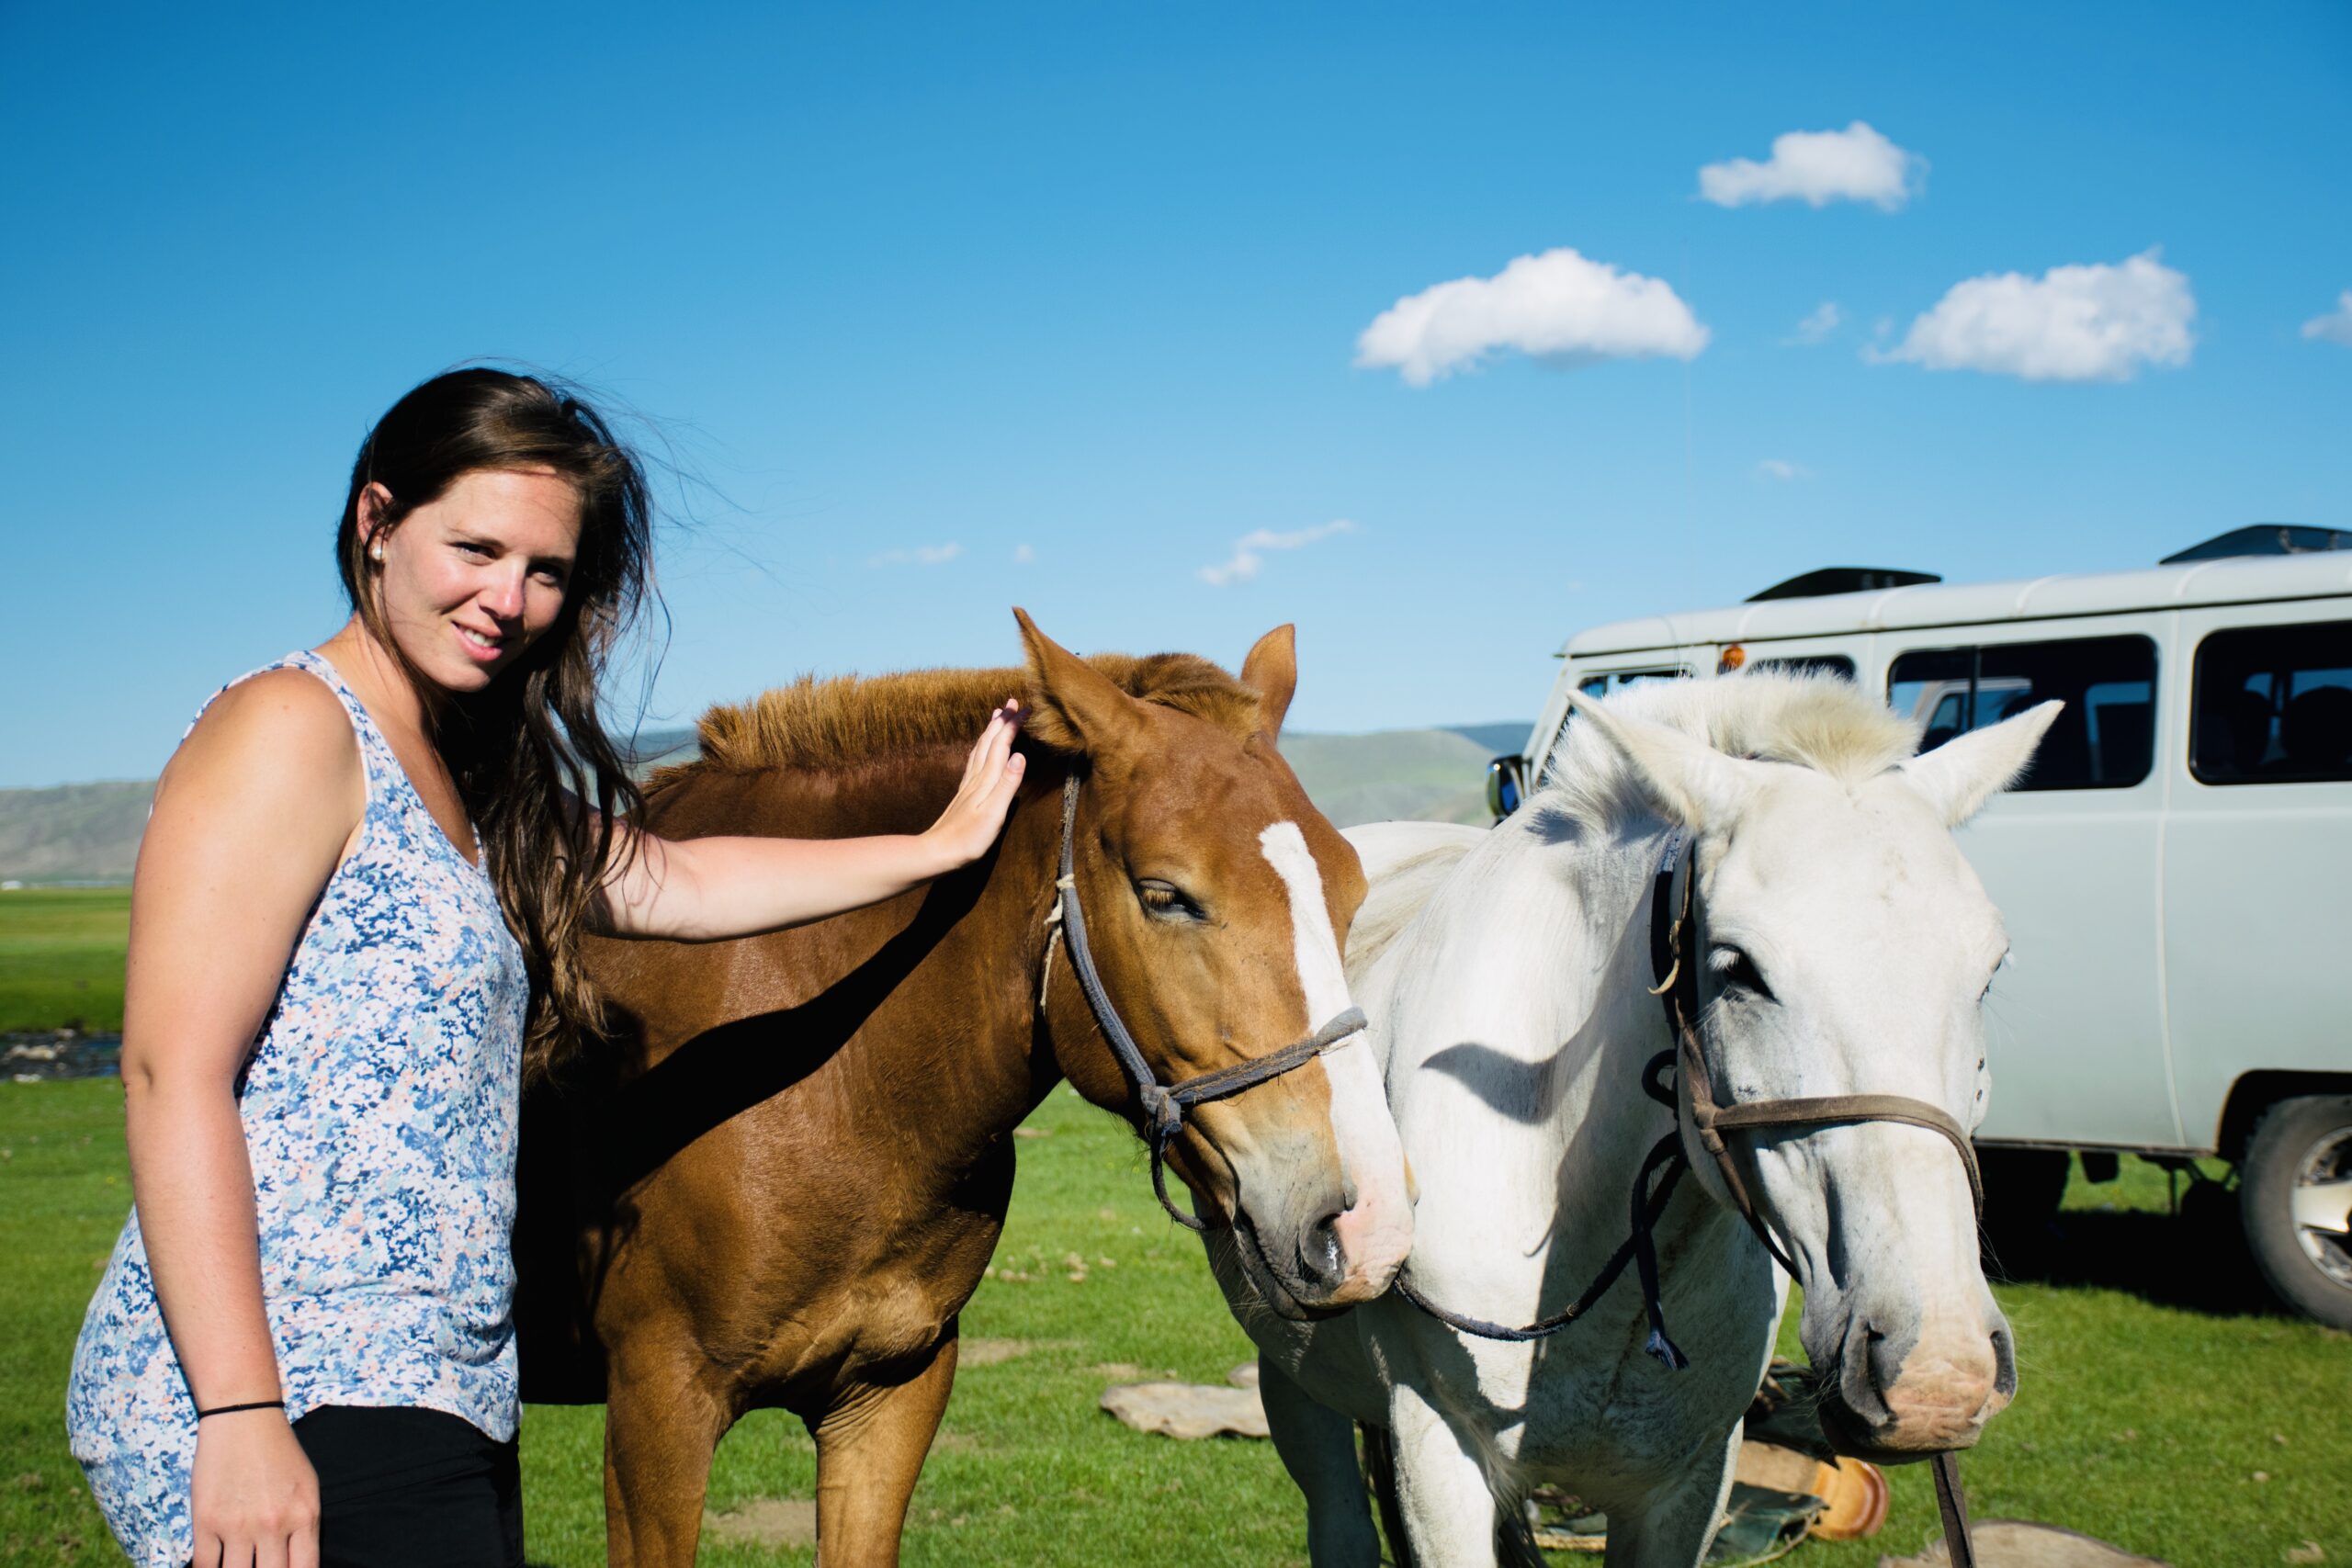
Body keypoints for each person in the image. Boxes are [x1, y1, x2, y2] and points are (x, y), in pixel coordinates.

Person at [65, 368, 1029, 1568]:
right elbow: (171, 1075)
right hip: (289, 1378)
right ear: (377, 522)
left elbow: (682, 882)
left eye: (547, 571)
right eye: (475, 549)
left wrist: (931, 848)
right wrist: (241, 1414)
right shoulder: (290, 729)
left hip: (436, 1383)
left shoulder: (476, 784)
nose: (508, 600)